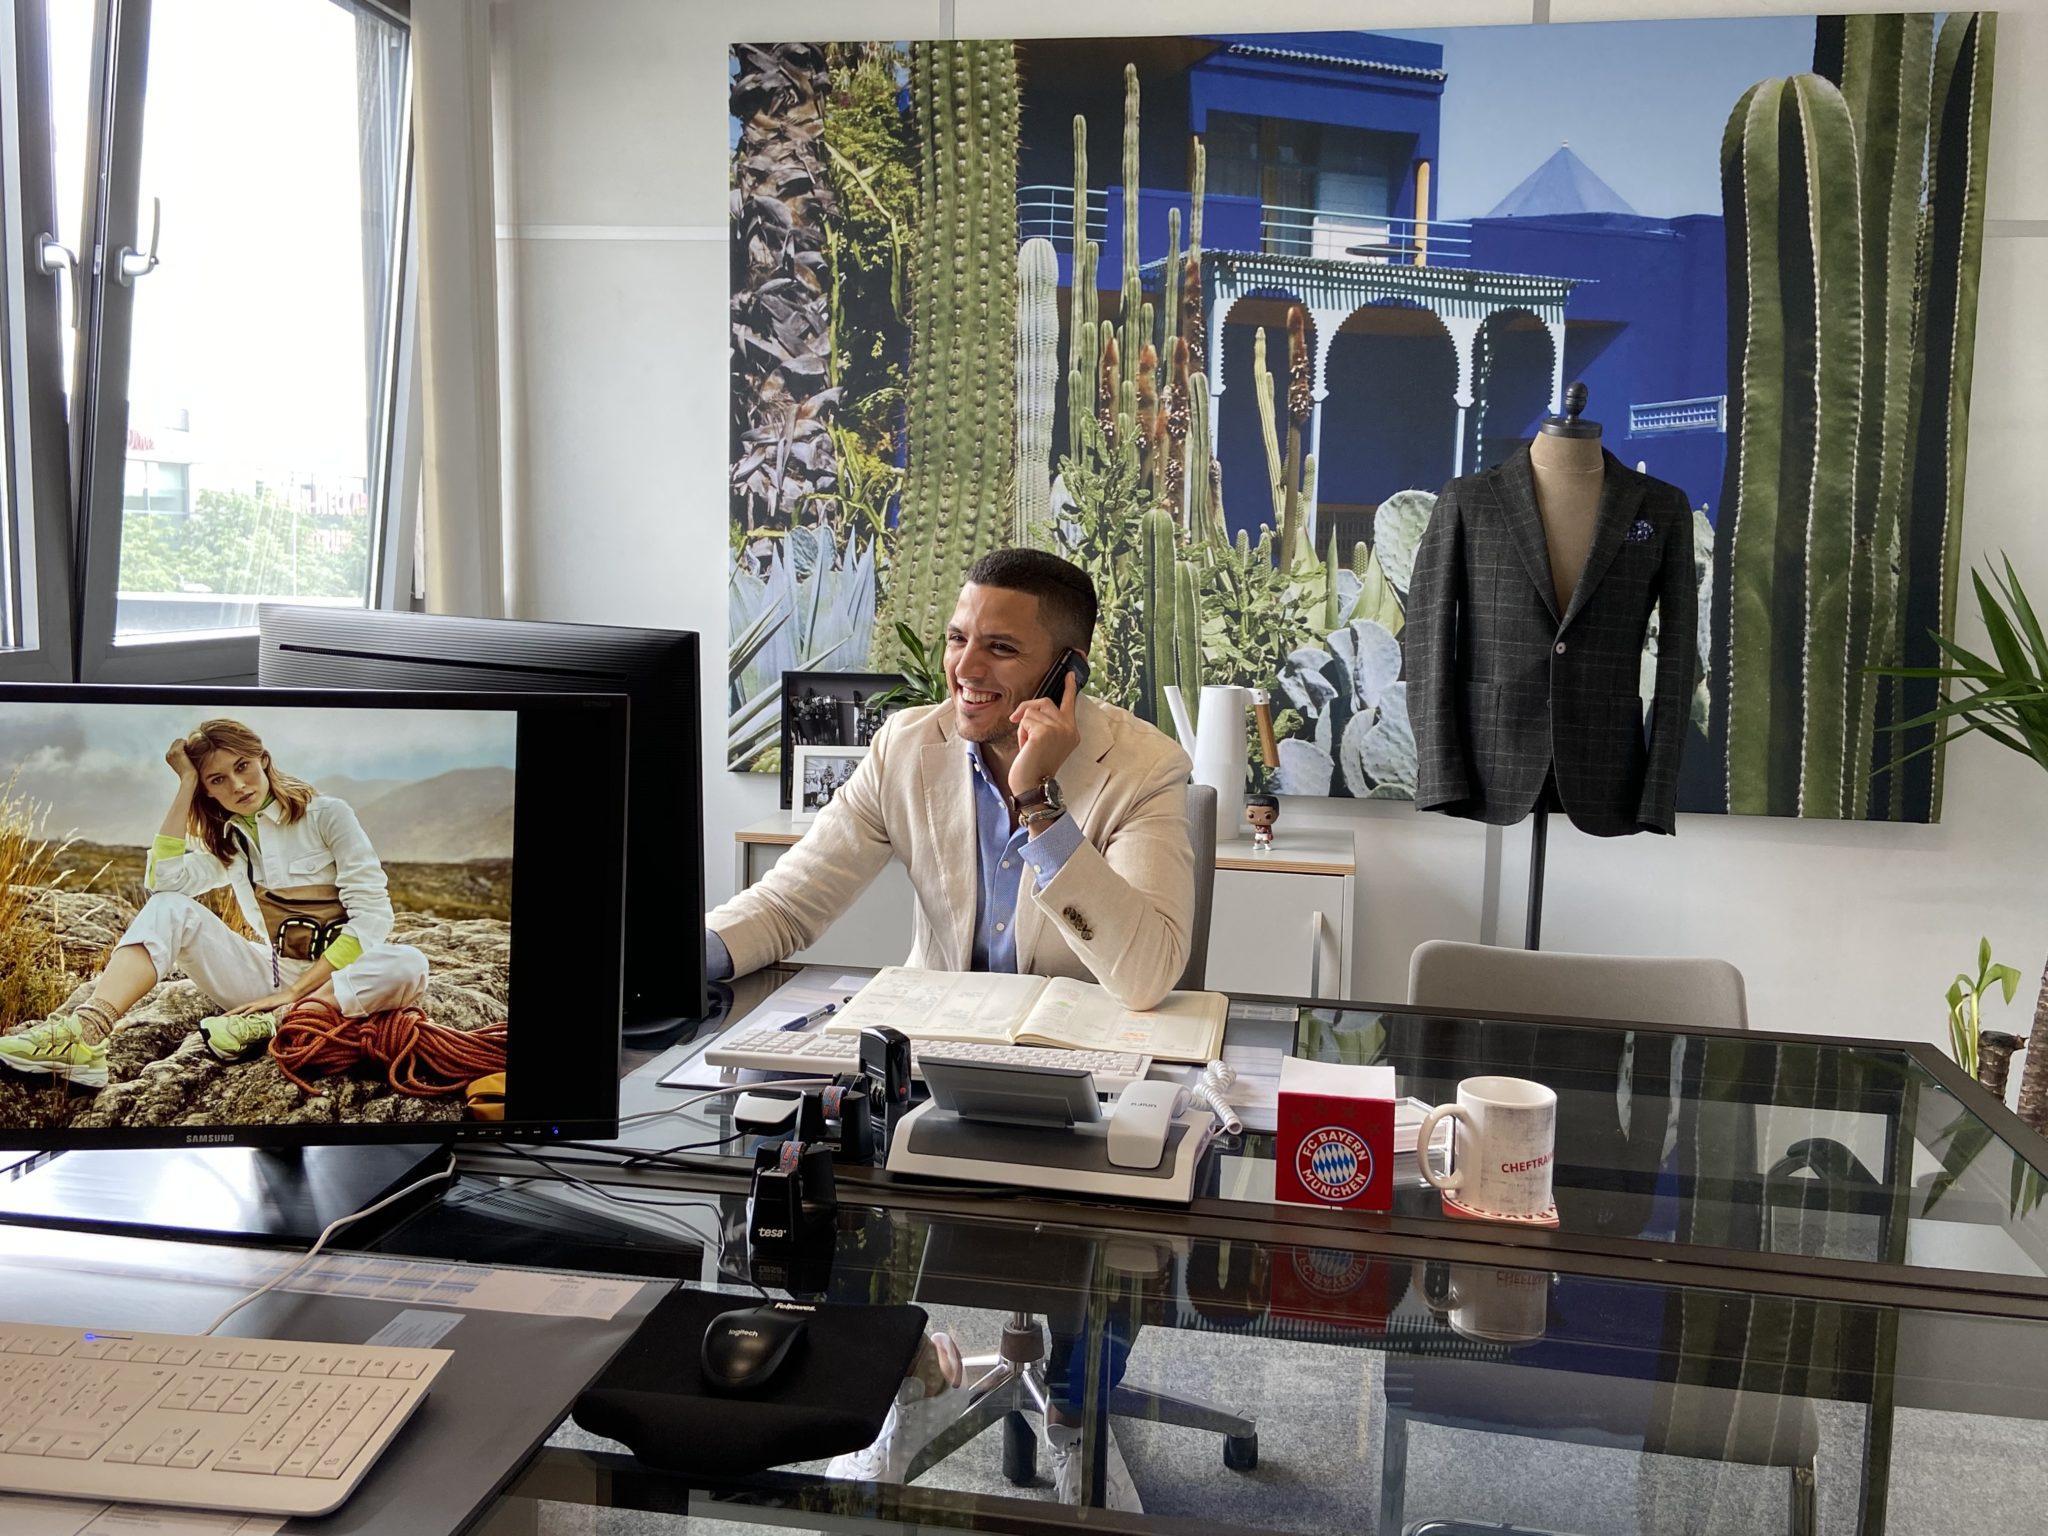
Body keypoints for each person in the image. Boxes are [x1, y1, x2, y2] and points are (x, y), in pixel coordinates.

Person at [707, 547, 1196, 1013]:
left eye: (1000, 647)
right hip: (930, 1049)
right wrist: (664, 963)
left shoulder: (1143, 769)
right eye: (958, 638)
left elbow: (1145, 978)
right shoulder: (904, 745)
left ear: (1068, 670)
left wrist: (1038, 802)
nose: (965, 668)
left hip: (1075, 1061)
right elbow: (788, 905)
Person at [0, 718, 429, 1091]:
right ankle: (86, 1034)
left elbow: (374, 916)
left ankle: (278, 1021)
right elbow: (163, 882)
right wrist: (185, 783)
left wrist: (294, 994)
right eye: (217, 779)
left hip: (344, 979)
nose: (237, 785)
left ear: (262, 758)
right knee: (170, 907)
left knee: (408, 964)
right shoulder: (227, 840)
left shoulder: (327, 815)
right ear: (207, 791)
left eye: (241, 766)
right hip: (273, 974)